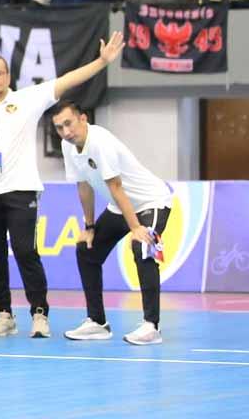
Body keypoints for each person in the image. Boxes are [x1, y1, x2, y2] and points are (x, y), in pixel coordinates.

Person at [0, 32, 125, 338]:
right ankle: (3, 314)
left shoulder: (27, 99)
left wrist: (102, 62)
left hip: (21, 190)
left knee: (26, 251)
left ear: (8, 76)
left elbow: (67, 80)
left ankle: (39, 313)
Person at [51, 102, 174, 346]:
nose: (65, 131)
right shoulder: (68, 146)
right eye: (59, 127)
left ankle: (152, 326)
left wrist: (137, 228)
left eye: (69, 123)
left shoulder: (100, 143)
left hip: (152, 201)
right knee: (87, 250)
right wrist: (89, 228)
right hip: (120, 207)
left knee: (142, 248)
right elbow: (83, 185)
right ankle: (97, 322)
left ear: (83, 119)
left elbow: (115, 187)